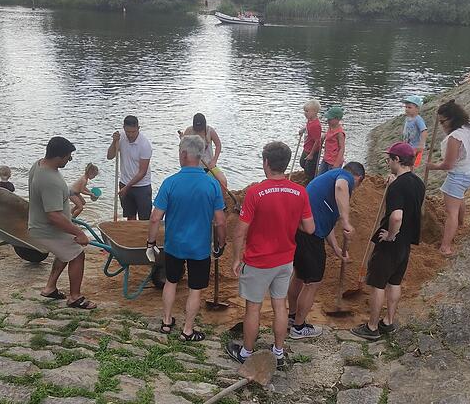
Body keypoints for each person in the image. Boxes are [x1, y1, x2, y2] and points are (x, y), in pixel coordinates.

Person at [226, 141, 315, 369]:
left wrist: (237, 258)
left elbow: (240, 231)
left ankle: (246, 352)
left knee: (253, 307)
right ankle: (278, 351)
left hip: (258, 261)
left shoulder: (256, 192)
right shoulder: (300, 192)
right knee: (280, 306)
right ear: (284, 164)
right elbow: (310, 228)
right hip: (285, 259)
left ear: (266, 163)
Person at [149, 135, 226, 342]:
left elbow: (156, 217)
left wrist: (151, 243)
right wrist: (221, 243)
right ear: (200, 156)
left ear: (183, 154)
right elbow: (220, 221)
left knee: (171, 282)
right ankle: (188, 330)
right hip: (199, 248)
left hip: (174, 245)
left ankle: (166, 322)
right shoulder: (211, 185)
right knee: (195, 289)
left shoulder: (170, 182)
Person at [351, 142, 425, 341]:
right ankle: (388, 322)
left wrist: (391, 235)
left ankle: (372, 327)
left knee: (378, 284)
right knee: (394, 282)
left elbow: (396, 217)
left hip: (391, 243)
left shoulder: (398, 186)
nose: (387, 162)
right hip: (406, 243)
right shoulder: (418, 183)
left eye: (389, 159)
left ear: (397, 160)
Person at [288, 162, 365, 339]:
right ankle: (299, 328)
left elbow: (326, 223)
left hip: (300, 231)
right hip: (309, 236)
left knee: (299, 276)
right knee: (312, 282)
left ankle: (292, 318)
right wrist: (346, 221)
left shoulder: (327, 184)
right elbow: (341, 187)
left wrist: (337, 249)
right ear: (358, 178)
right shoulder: (343, 177)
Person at [29, 136, 96, 309]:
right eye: (68, 156)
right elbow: (54, 216)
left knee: (65, 252)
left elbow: (60, 192)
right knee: (77, 254)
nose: (70, 159)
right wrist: (79, 233)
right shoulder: (49, 180)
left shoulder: (39, 164)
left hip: (46, 224)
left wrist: (74, 193)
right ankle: (75, 298)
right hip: (47, 228)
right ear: (58, 156)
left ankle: (49, 288)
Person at [426, 100, 470, 257]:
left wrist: (433, 166)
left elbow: (448, 165)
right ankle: (461, 223)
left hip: (459, 175)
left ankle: (445, 247)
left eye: (443, 122)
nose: (442, 125)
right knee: (459, 197)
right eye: (440, 122)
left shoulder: (455, 138)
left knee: (451, 212)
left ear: (453, 118)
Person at [107, 116, 153, 220]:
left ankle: (143, 236)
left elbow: (142, 172)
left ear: (138, 128)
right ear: (124, 128)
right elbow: (109, 156)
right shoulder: (121, 138)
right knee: (130, 217)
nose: (130, 135)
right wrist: (114, 142)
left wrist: (127, 187)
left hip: (142, 186)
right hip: (124, 182)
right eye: (128, 131)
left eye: (133, 132)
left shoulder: (145, 145)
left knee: (144, 219)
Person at [181, 113, 228, 191]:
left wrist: (214, 161)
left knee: (223, 181)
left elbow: (218, 145)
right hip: (193, 167)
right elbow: (183, 148)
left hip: (208, 166)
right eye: (197, 127)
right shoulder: (189, 131)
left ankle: (221, 202)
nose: (199, 129)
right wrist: (183, 139)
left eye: (200, 127)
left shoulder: (210, 131)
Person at [298, 100, 323, 181]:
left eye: (307, 111)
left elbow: (317, 141)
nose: (305, 113)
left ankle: (311, 181)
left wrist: (312, 154)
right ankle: (308, 177)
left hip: (313, 151)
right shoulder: (310, 120)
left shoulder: (316, 125)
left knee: (310, 170)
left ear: (315, 112)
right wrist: (304, 129)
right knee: (302, 163)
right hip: (307, 148)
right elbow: (308, 127)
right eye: (304, 111)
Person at [318, 106, 346, 175]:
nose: (328, 120)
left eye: (330, 119)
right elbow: (328, 135)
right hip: (326, 158)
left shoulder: (339, 133)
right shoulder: (330, 127)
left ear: (337, 119)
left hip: (334, 161)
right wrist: (324, 136)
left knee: (331, 178)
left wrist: (337, 163)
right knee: (320, 175)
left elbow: (342, 148)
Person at [401, 95, 428, 167]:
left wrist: (421, 144)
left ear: (417, 109)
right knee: (406, 163)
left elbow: (424, 131)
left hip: (415, 147)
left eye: (409, 107)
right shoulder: (408, 118)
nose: (407, 109)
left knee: (412, 164)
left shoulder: (418, 119)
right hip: (407, 145)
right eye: (406, 107)